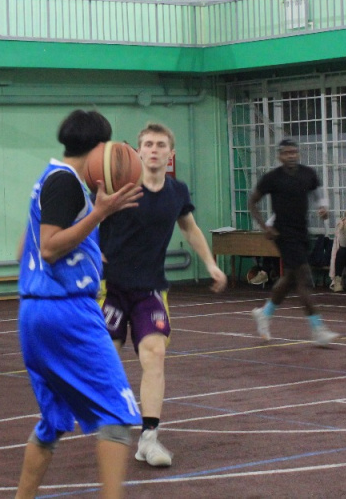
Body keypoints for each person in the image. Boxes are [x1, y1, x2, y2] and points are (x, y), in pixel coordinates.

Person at [14, 109, 142, 499]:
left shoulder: (50, 178)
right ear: (99, 148)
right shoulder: (66, 182)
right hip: (66, 312)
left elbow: (26, 248)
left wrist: (85, 249)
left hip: (35, 313)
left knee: (52, 423)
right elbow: (49, 247)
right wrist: (99, 214)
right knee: (117, 415)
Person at [99, 122, 227, 470]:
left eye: (160, 145)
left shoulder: (176, 191)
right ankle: (110, 422)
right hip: (110, 288)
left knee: (154, 353)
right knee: (106, 361)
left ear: (171, 153)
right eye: (148, 144)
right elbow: (93, 222)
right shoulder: (121, 188)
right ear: (138, 150)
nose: (153, 150)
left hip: (150, 289)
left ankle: (149, 438)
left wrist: (210, 264)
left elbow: (190, 228)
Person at [249, 139, 338, 346]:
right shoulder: (272, 178)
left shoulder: (308, 174)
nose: (291, 155)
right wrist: (264, 226)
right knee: (303, 278)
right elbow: (252, 201)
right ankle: (318, 330)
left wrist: (323, 207)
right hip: (282, 233)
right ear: (279, 156)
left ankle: (265, 313)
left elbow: (318, 192)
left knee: (289, 278)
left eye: (294, 152)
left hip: (302, 232)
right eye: (287, 152)